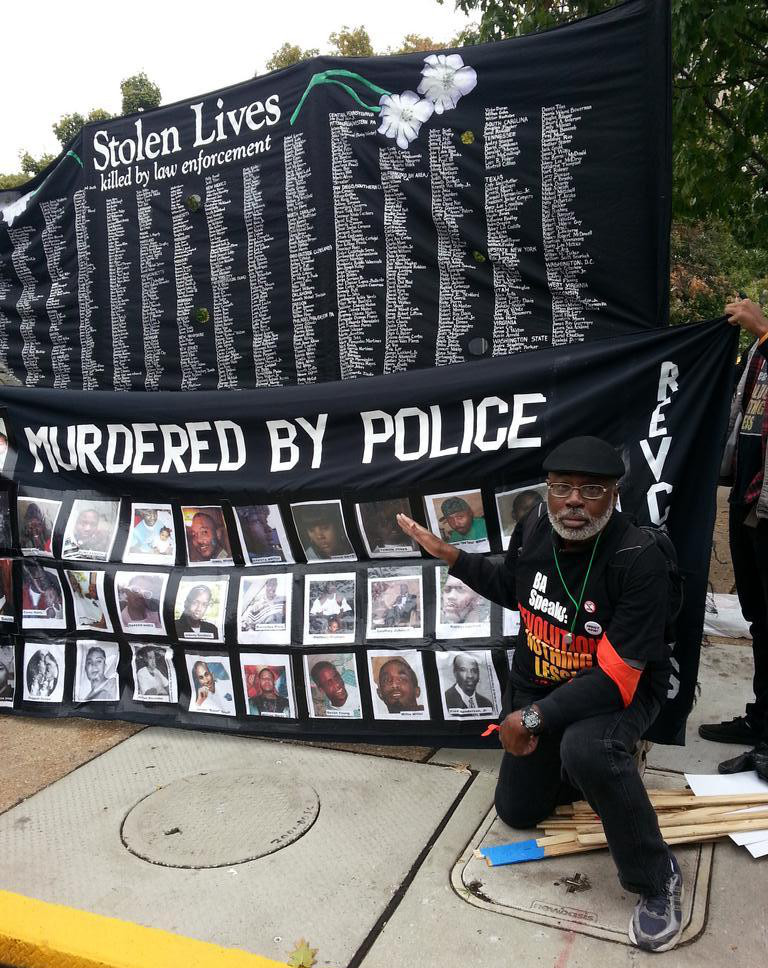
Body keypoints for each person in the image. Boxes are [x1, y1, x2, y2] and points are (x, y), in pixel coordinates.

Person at [398, 436, 682, 953]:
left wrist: (531, 719)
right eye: (562, 488)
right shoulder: (533, 527)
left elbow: (617, 679)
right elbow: (513, 586)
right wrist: (452, 557)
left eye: (591, 490)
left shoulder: (639, 558)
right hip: (543, 682)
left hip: (619, 690)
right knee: (517, 812)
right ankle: (596, 778)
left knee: (587, 747)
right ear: (547, 492)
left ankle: (656, 875)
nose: (574, 501)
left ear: (614, 495)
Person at [699, 297, 768, 778]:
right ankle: (762, 721)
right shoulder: (760, 355)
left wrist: (762, 329)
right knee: (758, 618)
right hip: (749, 505)